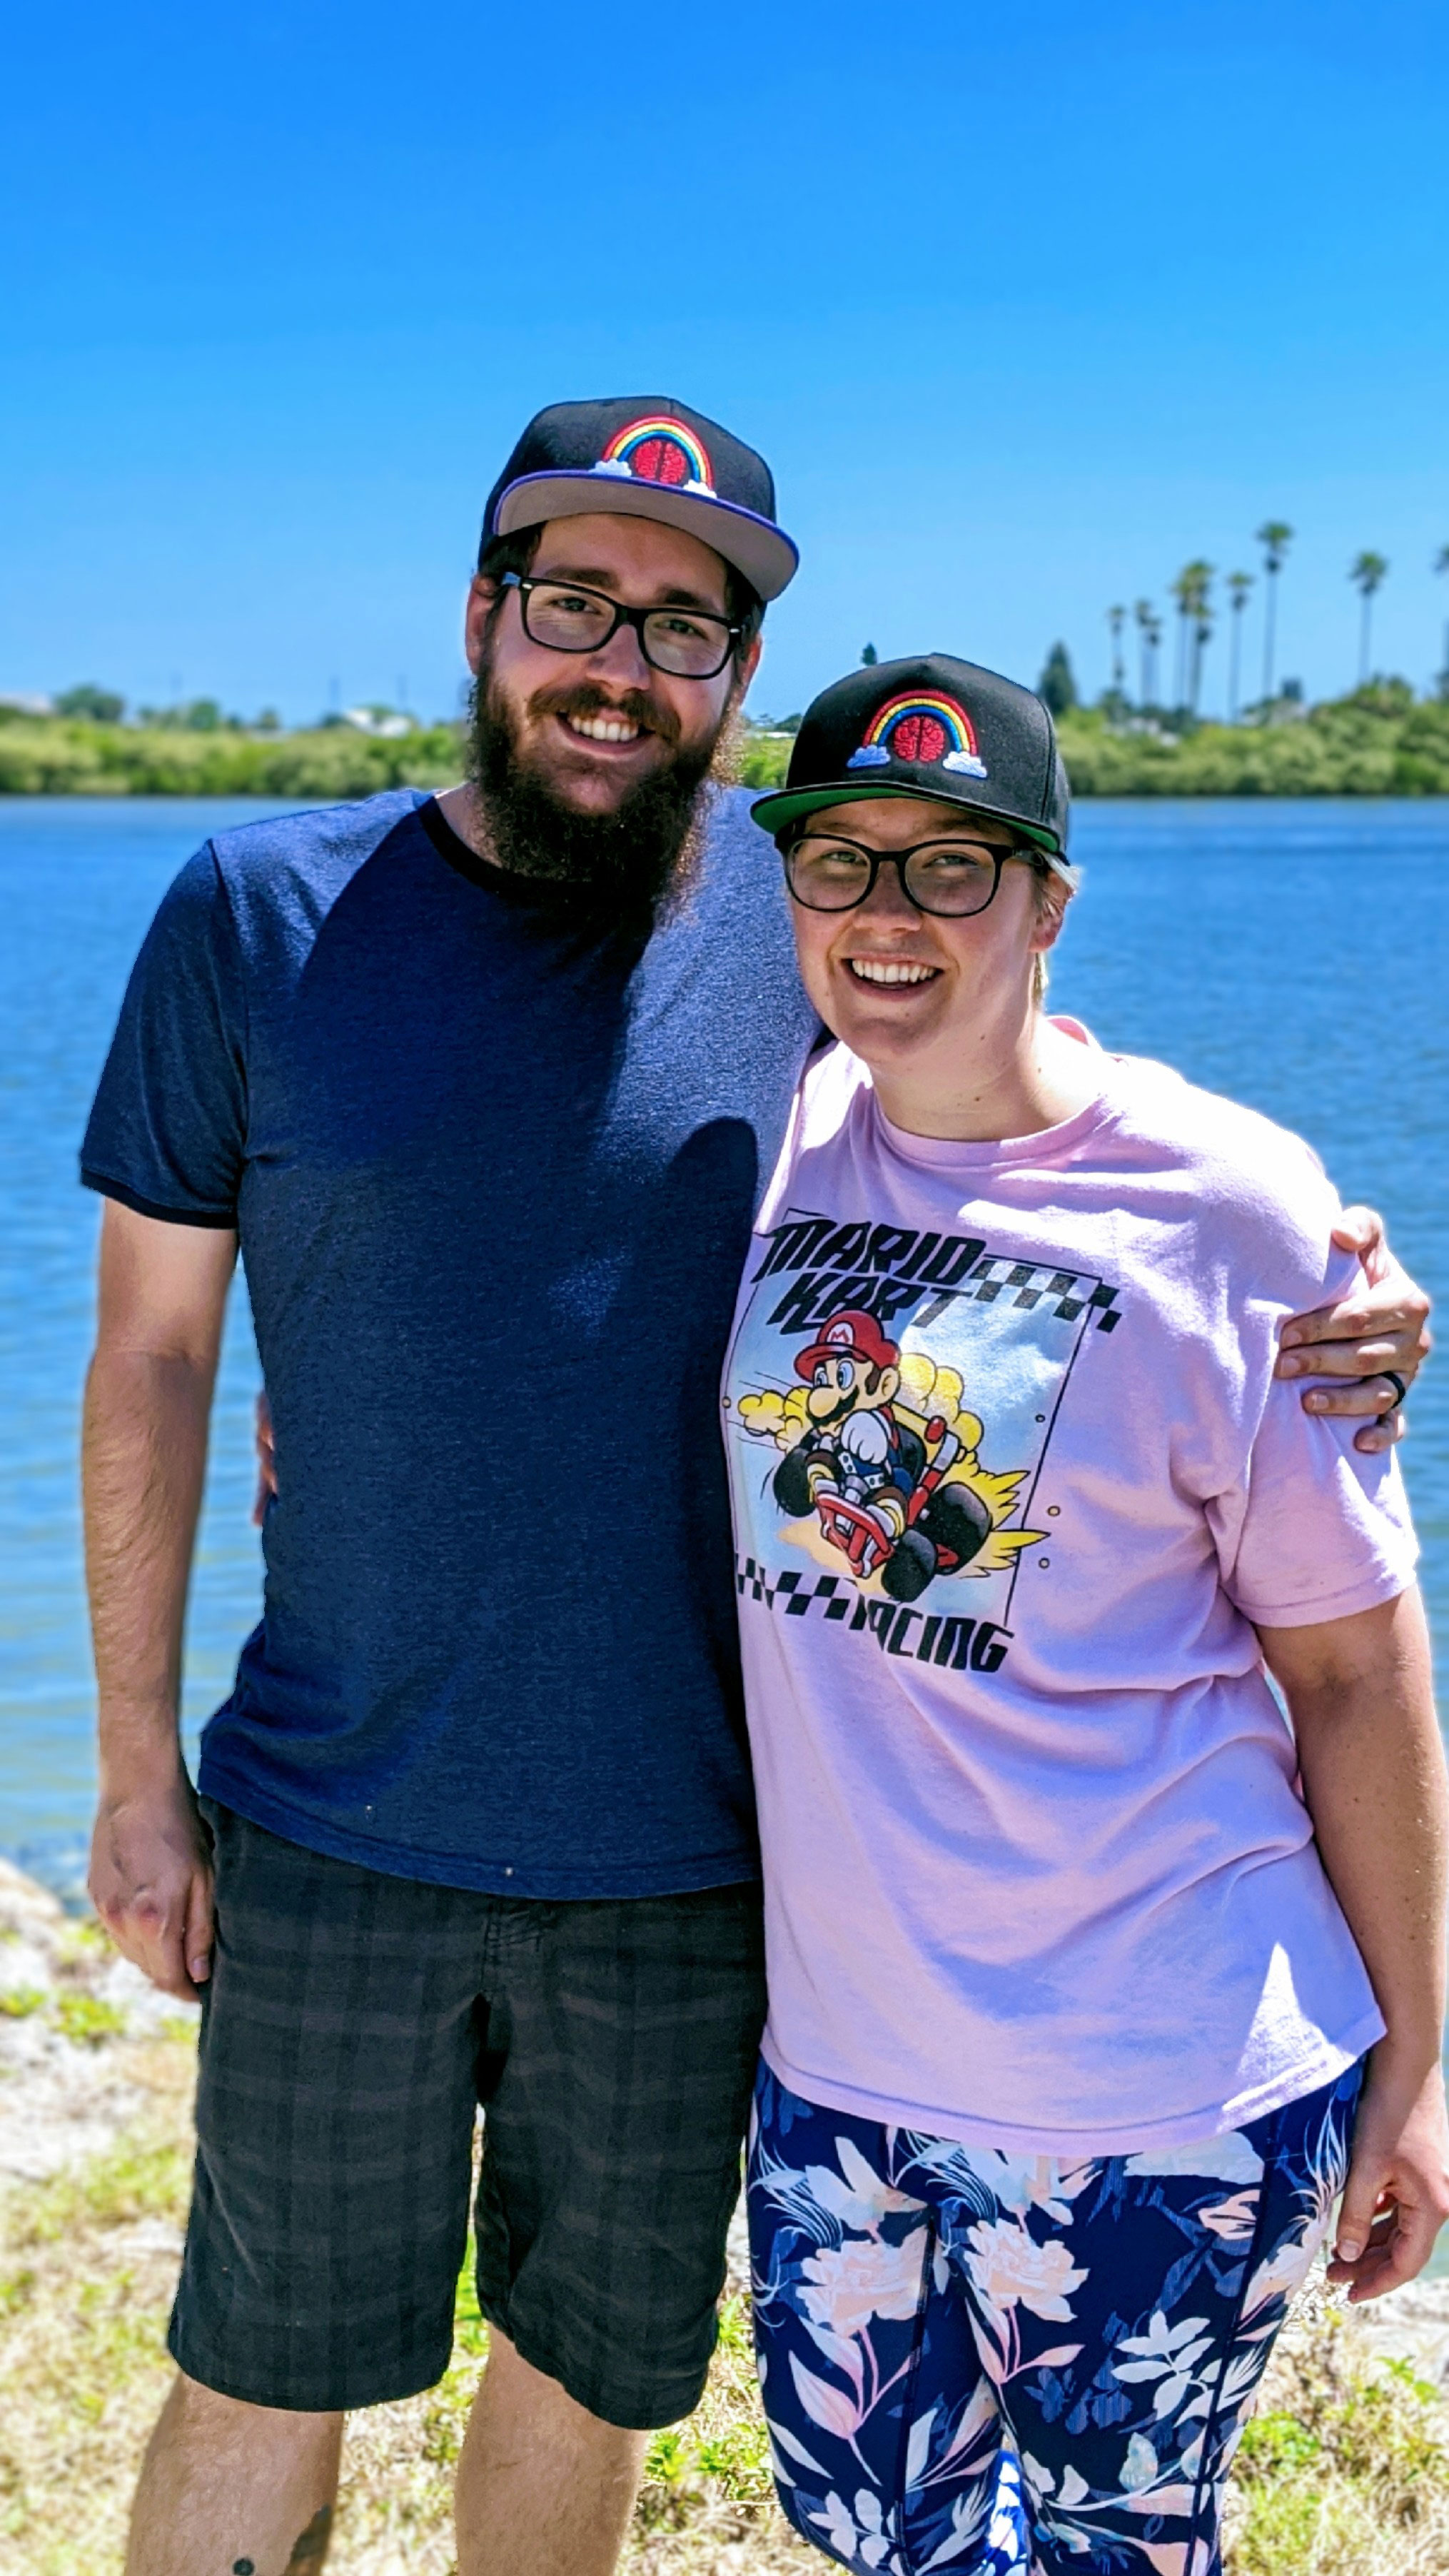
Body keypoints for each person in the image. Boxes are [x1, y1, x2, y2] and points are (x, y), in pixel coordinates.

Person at [79, 386, 1426, 2576]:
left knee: (585, 2380)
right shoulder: (258, 916)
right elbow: (148, 1363)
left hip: (706, 1868)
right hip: (332, 1814)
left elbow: (1044, 1139)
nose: (619, 661)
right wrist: (133, 1771)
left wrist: (1341, 1260)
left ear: (736, 683)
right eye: (575, 600)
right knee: (259, 2365)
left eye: (684, 628)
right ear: (483, 615)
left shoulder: (798, 936)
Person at [726, 654, 1449, 2576]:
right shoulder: (769, 1151)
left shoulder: (1231, 1208)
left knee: (1128, 2551)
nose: (889, 914)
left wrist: (1424, 2062)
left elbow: (1360, 1672)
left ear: (1051, 899)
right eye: (841, 862)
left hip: (1165, 2089)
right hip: (840, 2081)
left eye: (955, 867)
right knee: (873, 2544)